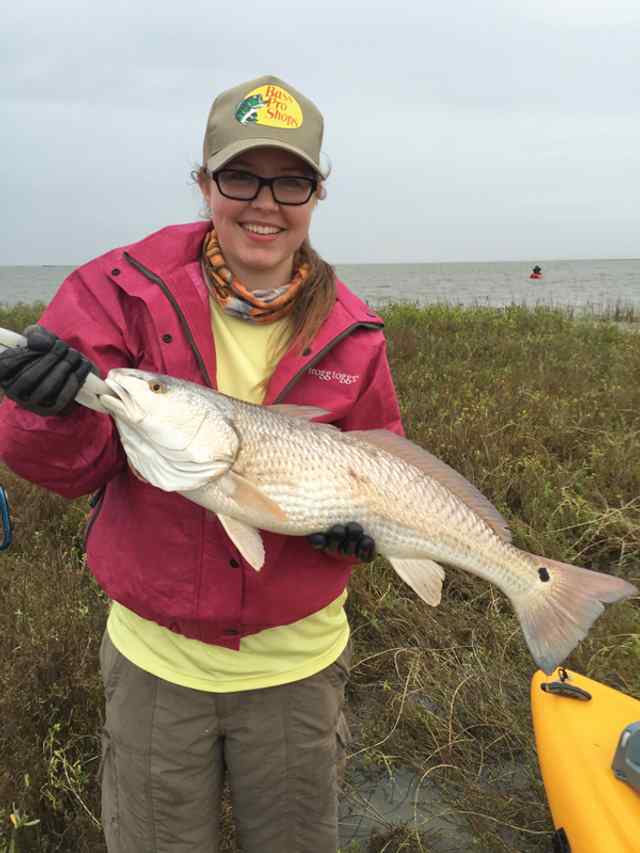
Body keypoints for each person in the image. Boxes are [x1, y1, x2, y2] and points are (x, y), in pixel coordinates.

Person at [0, 74, 403, 853]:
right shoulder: (120, 290)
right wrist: (43, 410)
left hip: (297, 668)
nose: (265, 201)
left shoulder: (356, 332)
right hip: (157, 664)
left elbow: (381, 456)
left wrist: (358, 533)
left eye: (291, 180)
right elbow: (69, 469)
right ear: (204, 181)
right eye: (240, 176)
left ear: (318, 194)